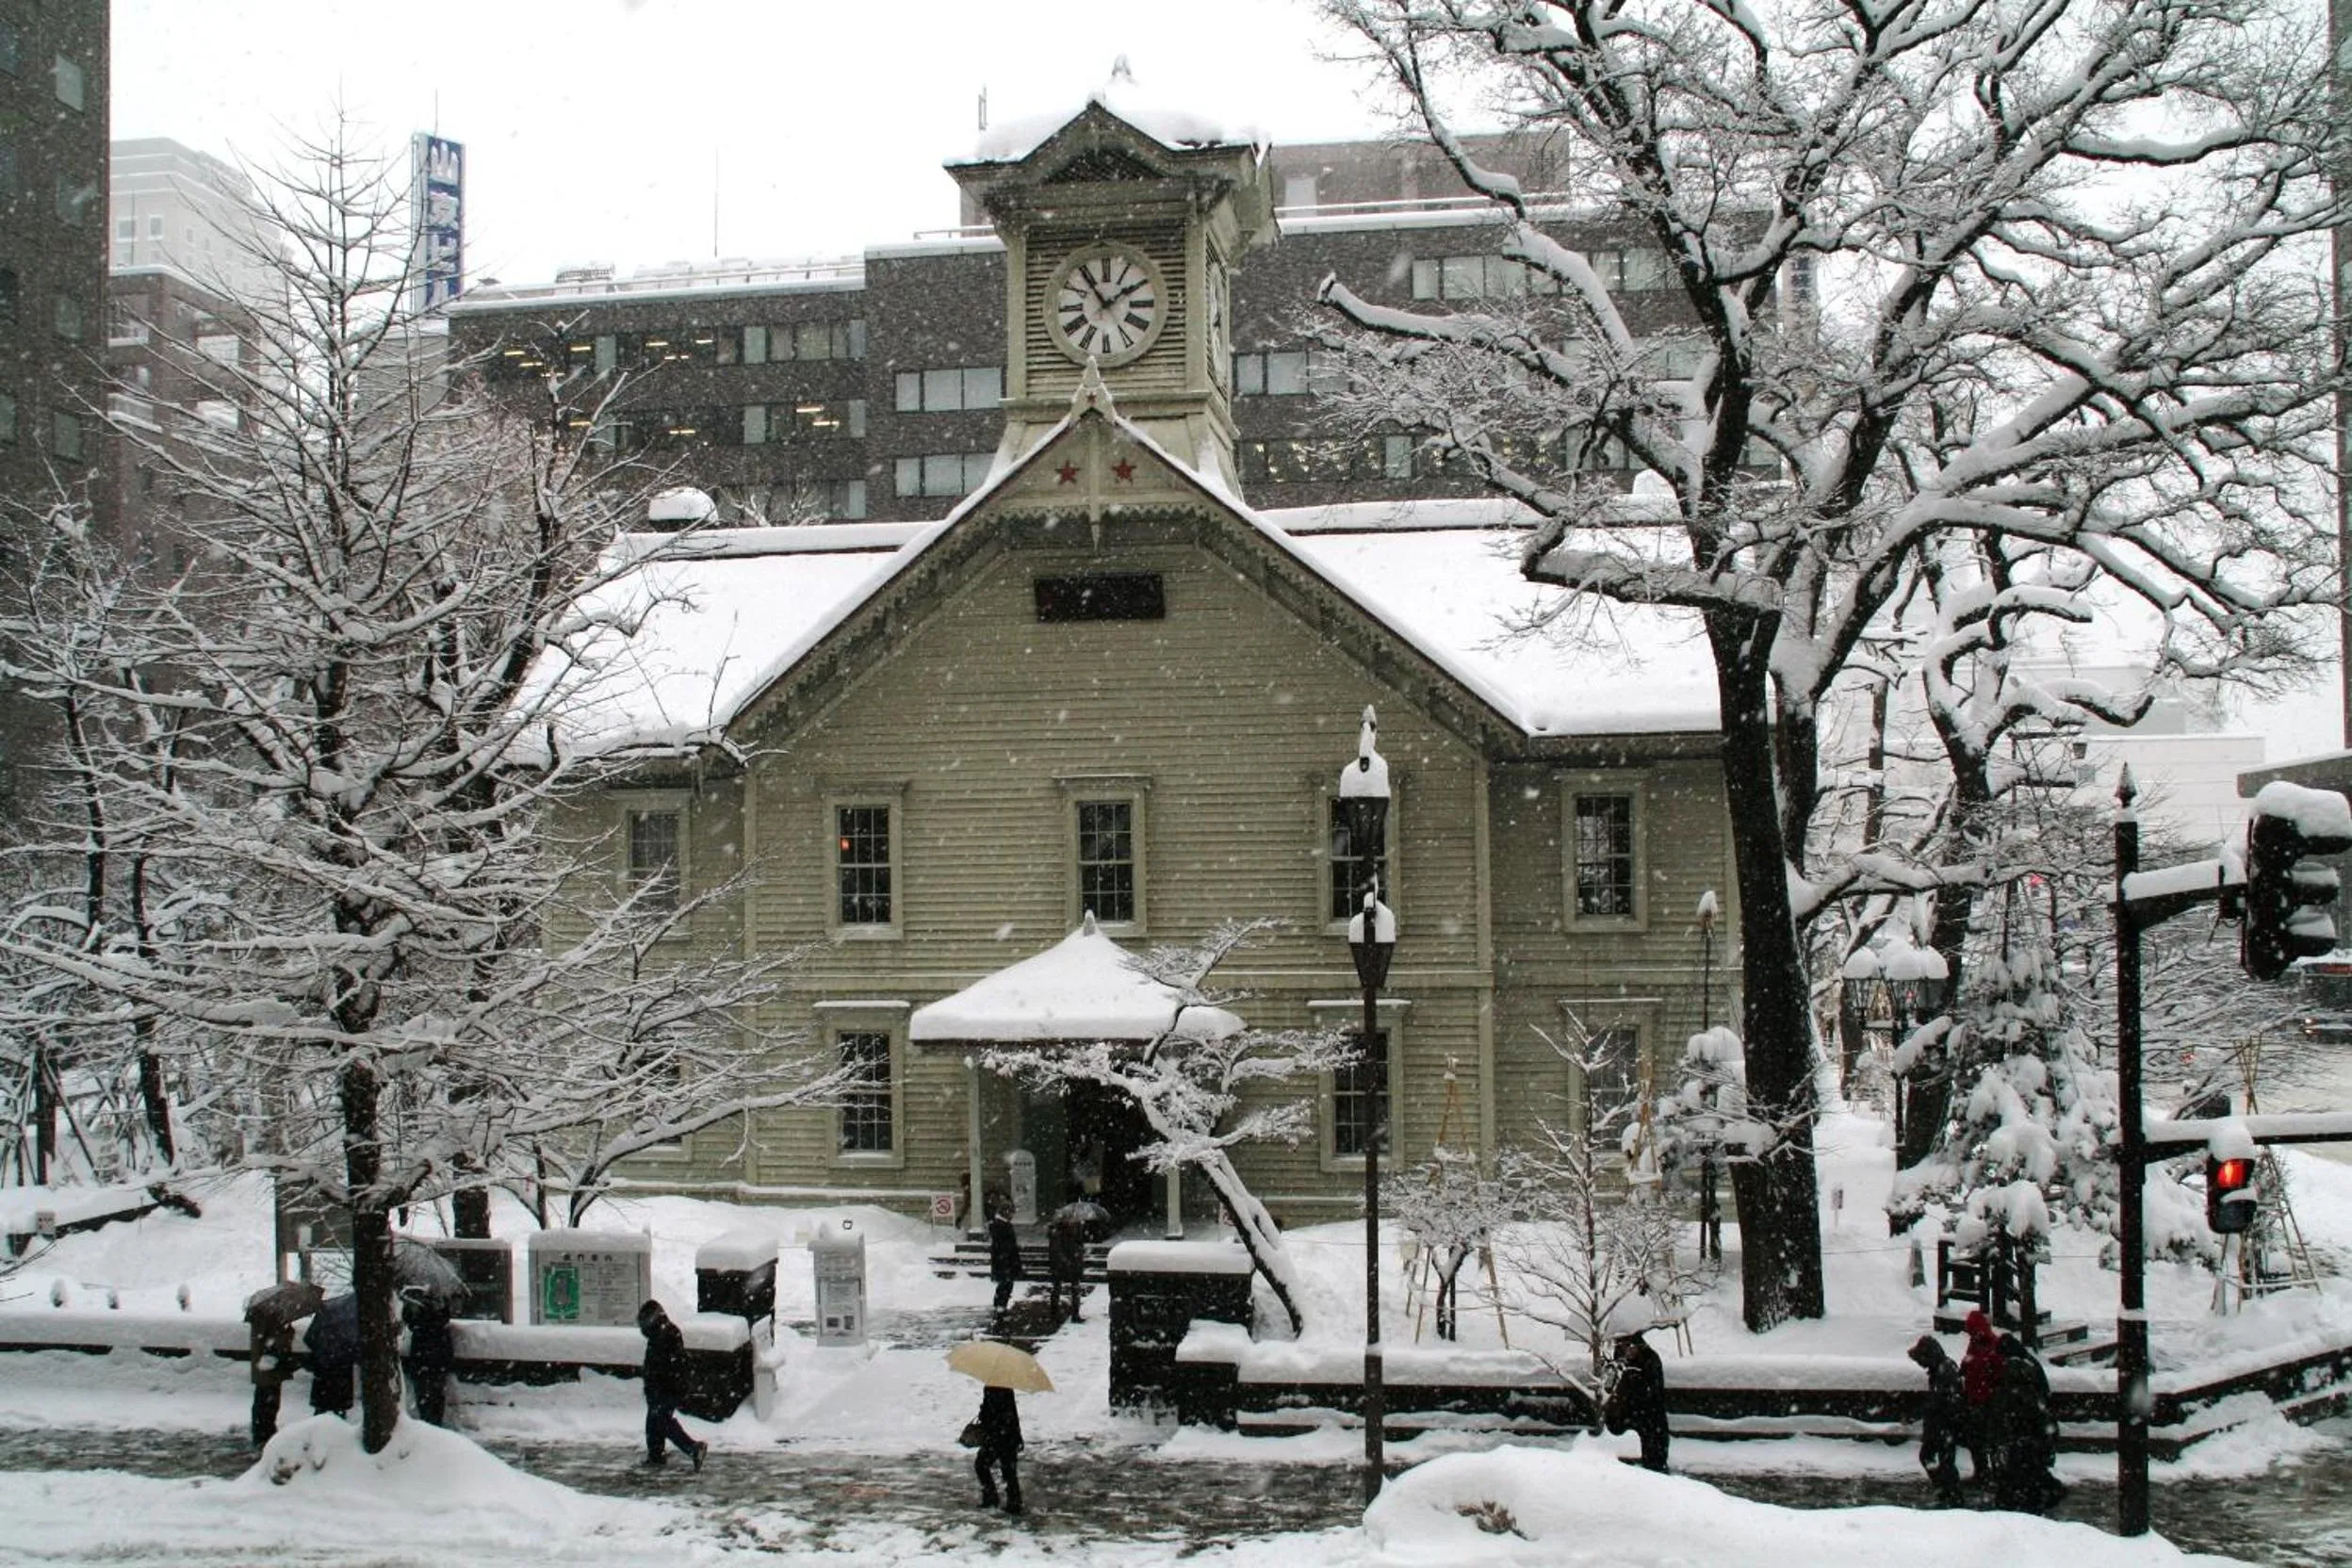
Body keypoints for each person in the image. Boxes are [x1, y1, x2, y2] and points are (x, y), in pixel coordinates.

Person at [1989, 1332, 2063, 1514]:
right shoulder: (2029, 1365)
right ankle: (2040, 1498)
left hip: (2024, 1434)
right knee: (2031, 1471)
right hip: (2034, 1432)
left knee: (2022, 1474)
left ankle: (2021, 1507)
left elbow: (2010, 1405)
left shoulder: (2016, 1371)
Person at [635, 1300, 707, 1471]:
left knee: (661, 1420)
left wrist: (660, 1386)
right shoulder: (661, 1333)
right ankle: (655, 1456)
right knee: (654, 1422)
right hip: (661, 1388)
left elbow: (668, 1366)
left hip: (667, 1389)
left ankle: (692, 1448)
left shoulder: (665, 1334)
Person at [1602, 1319, 1670, 1473]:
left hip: (1648, 1423)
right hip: (1628, 1424)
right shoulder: (1619, 1361)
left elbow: (1651, 1394)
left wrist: (1631, 1375)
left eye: (1624, 1344)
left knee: (1654, 1466)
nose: (1621, 1348)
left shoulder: (1649, 1359)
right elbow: (1609, 1386)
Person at [1907, 1333, 1966, 1506]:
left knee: (1935, 1458)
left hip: (1943, 1424)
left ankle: (1950, 1493)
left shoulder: (1943, 1371)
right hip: (1943, 1423)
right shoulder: (1944, 1367)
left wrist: (1918, 1413)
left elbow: (1938, 1401)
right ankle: (1948, 1492)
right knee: (1943, 1460)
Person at [1959, 1308, 2005, 1482]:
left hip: (1986, 1400)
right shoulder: (1979, 1343)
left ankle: (1989, 1472)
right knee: (1977, 1439)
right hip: (1978, 1399)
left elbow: (1997, 1372)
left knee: (1986, 1440)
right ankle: (1985, 1472)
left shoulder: (1991, 1344)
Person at [400, 1286, 456, 1428]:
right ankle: (435, 1424)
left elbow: (410, 1322)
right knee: (435, 1393)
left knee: (425, 1393)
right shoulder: (440, 1306)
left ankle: (428, 1424)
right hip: (437, 1356)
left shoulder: (418, 1307)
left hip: (422, 1356)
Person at [303, 1292, 360, 1418]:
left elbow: (308, 1338)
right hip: (342, 1370)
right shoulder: (350, 1326)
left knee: (321, 1407)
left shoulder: (323, 1315)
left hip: (322, 1368)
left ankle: (319, 1426)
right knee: (339, 1408)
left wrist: (319, 1351)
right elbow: (356, 1349)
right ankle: (336, 1425)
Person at [972, 1383, 1024, 1514]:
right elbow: (1012, 1413)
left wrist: (983, 1411)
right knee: (1009, 1471)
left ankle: (991, 1497)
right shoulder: (1007, 1387)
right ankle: (1014, 1503)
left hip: (996, 1436)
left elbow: (990, 1414)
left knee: (981, 1465)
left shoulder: (991, 1387)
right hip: (1009, 1435)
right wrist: (1018, 1436)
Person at [1046, 1210, 1086, 1325]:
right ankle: (1055, 1313)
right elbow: (1056, 1250)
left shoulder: (1076, 1230)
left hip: (1073, 1262)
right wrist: (1066, 1261)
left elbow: (1078, 1244)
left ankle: (1075, 1313)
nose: (1073, 1220)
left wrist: (1079, 1253)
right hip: (1061, 1265)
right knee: (1057, 1288)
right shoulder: (1057, 1232)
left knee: (1075, 1288)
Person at [988, 1205, 1024, 1316]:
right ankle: (1000, 1307)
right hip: (1005, 1260)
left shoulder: (1000, 1225)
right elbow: (1005, 1245)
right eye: (1011, 1213)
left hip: (1004, 1260)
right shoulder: (1002, 1226)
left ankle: (1000, 1305)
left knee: (1004, 1284)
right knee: (1006, 1284)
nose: (1012, 1216)